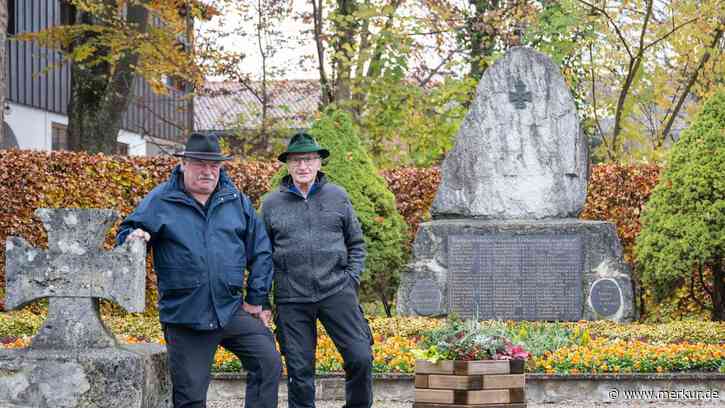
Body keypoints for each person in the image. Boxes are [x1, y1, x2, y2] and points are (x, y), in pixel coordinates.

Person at [116, 133, 281, 408]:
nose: (207, 171)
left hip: (230, 309)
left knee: (268, 363)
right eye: (199, 164)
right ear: (184, 165)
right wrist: (135, 236)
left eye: (213, 166)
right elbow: (127, 232)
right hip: (185, 315)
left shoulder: (235, 200)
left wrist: (256, 298)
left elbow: (261, 249)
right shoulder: (161, 199)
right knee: (190, 398)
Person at [261, 132, 373, 408]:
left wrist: (351, 279)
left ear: (319, 163)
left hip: (337, 291)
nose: (303, 166)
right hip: (292, 299)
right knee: (300, 372)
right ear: (287, 165)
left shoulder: (338, 196)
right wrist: (263, 300)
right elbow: (261, 256)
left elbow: (356, 243)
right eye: (297, 160)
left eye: (309, 159)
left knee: (360, 357)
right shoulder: (271, 204)